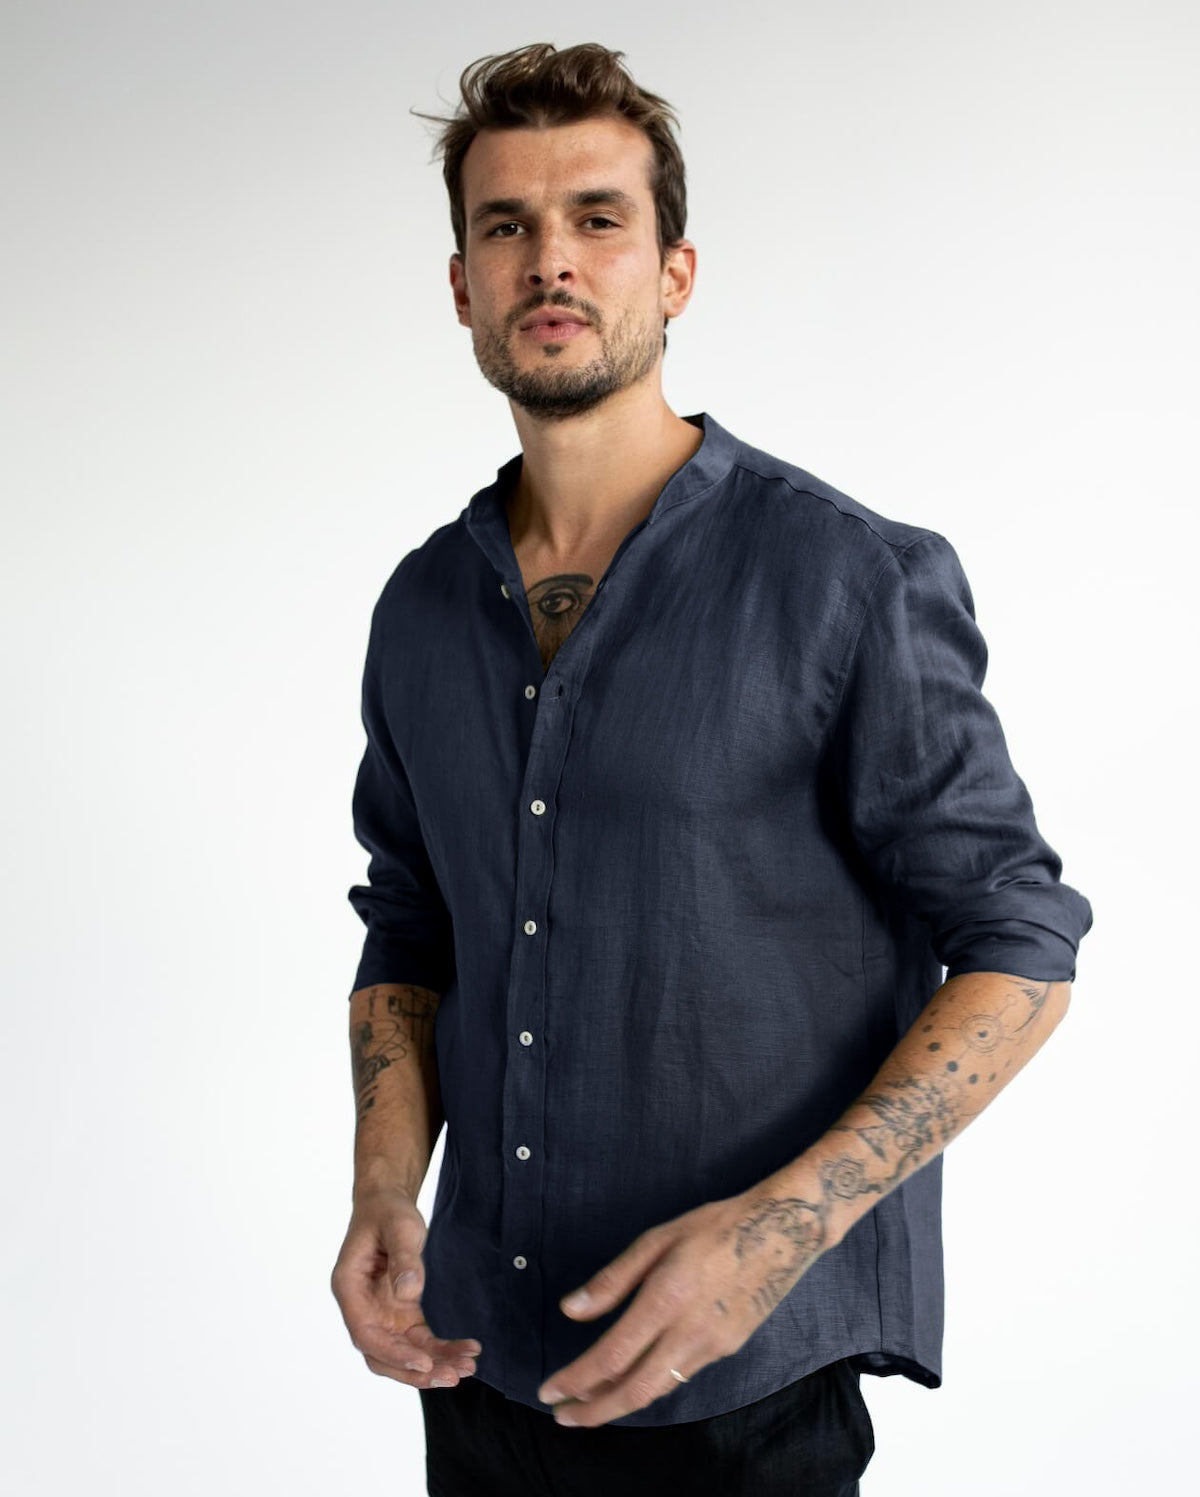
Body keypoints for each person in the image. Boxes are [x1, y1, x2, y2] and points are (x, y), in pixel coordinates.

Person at [329, 40, 1093, 1497]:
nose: (551, 259)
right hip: (477, 1364)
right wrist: (381, 1190)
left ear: (675, 273)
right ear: (463, 287)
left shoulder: (850, 577)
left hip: (747, 1394)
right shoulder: (421, 607)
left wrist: (781, 1229)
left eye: (598, 218)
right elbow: (409, 927)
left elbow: (1021, 945)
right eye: (507, 226)